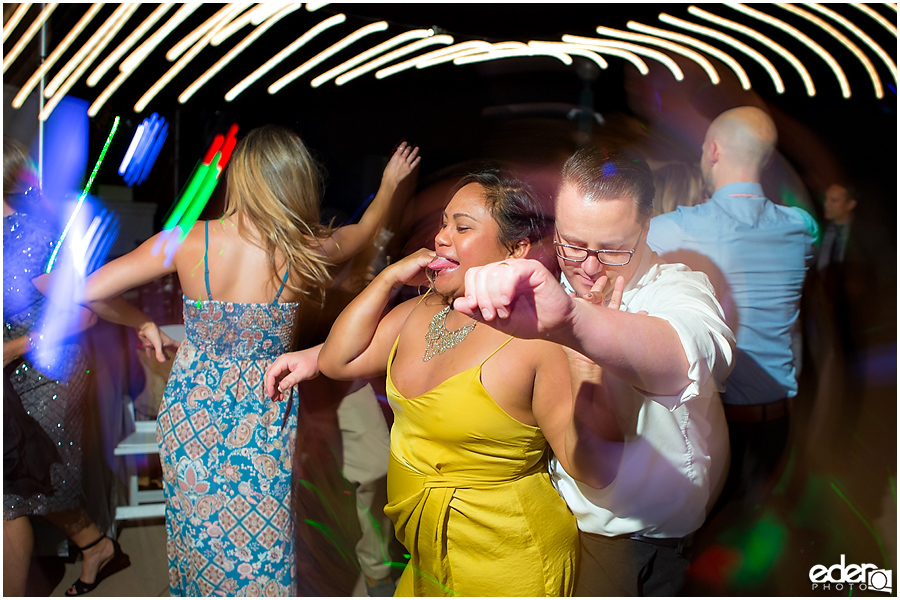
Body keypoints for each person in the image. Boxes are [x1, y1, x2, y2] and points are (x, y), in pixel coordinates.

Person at [81, 125, 420, 596]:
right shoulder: (305, 251)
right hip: (263, 410)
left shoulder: (184, 240)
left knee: (196, 540)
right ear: (296, 182)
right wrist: (389, 184)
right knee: (262, 543)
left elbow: (89, 292)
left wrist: (141, 321)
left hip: (190, 415)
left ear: (238, 178)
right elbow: (363, 234)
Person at [273, 170, 621, 596]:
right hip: (425, 563)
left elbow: (593, 469)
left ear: (516, 249)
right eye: (443, 224)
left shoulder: (536, 341)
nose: (441, 237)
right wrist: (389, 279)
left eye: (462, 226)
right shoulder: (422, 311)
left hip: (510, 563)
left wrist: (589, 371)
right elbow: (337, 360)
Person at [453, 147, 735, 596]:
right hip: (562, 526)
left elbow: (690, 351)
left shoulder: (676, 287)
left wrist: (575, 322)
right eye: (573, 243)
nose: (587, 266)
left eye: (612, 249)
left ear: (644, 229)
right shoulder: (551, 280)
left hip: (646, 542)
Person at [647, 107, 816, 514]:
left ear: (714, 151)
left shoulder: (670, 229)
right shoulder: (801, 229)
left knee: (706, 539)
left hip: (714, 426)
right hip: (780, 425)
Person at [3, 136, 148, 597]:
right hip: (12, 379)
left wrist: (17, 346)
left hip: (50, 375)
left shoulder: (29, 238)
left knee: (14, 495)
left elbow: (83, 312)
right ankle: (95, 545)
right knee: (28, 486)